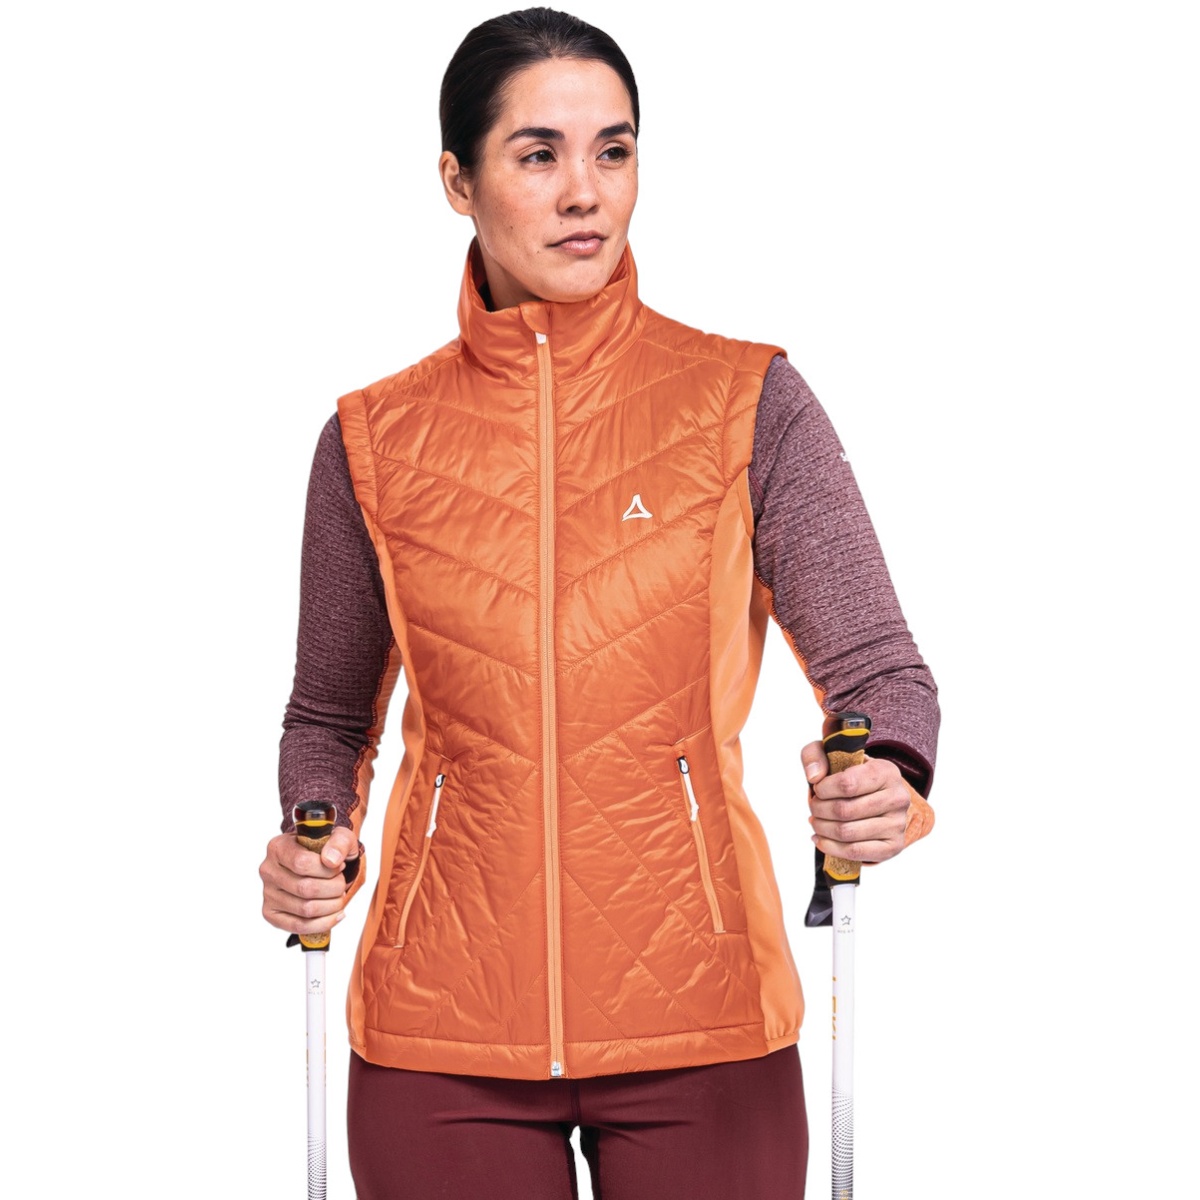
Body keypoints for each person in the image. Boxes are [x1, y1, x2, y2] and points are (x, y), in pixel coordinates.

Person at [259, 8, 939, 1198]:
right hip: (441, 1033)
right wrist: (317, 837)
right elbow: (328, 716)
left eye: (613, 151)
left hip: (704, 1017)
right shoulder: (371, 439)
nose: (586, 192)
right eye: (539, 155)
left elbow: (880, 672)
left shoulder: (747, 402)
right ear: (456, 182)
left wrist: (887, 771)